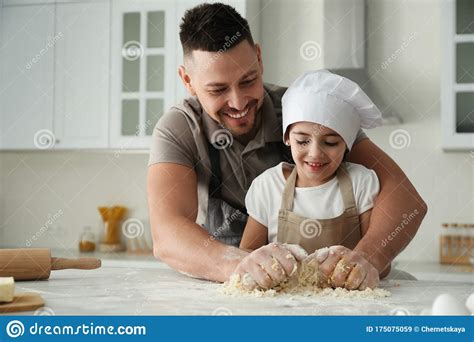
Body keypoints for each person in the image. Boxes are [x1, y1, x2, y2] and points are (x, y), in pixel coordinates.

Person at [147, 2, 427, 289]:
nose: (239, 102)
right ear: (188, 81)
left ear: (258, 57)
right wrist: (239, 264)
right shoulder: (179, 129)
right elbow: (167, 234)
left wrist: (367, 258)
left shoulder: (307, 111)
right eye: (218, 89)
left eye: (248, 80)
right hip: (231, 288)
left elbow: (406, 200)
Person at [237, 70, 382, 290]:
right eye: (303, 141)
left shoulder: (361, 183)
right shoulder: (268, 186)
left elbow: (380, 261)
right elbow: (247, 256)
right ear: (287, 137)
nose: (315, 153)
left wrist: (360, 266)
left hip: (347, 304)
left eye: (331, 143)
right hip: (285, 304)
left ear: (348, 144)